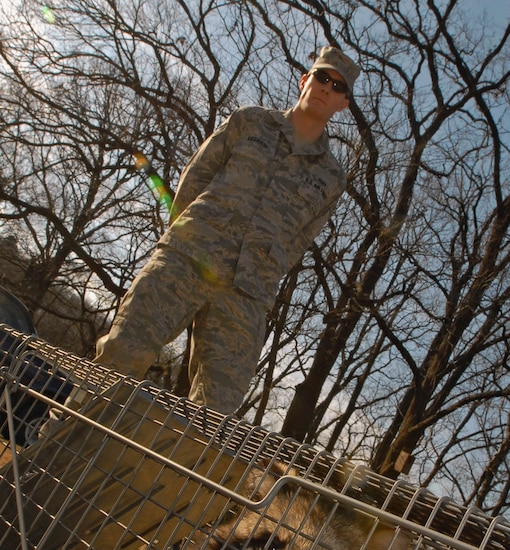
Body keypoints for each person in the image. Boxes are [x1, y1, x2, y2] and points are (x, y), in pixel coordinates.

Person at [94, 46, 360, 415]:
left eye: (338, 86)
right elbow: (195, 177)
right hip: (189, 257)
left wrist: (263, 271)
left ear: (343, 104)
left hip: (247, 294)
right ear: (305, 80)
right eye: (322, 76)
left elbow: (300, 240)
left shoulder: (331, 178)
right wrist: (189, 236)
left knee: (213, 413)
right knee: (121, 354)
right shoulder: (250, 121)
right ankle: (53, 449)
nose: (327, 87)